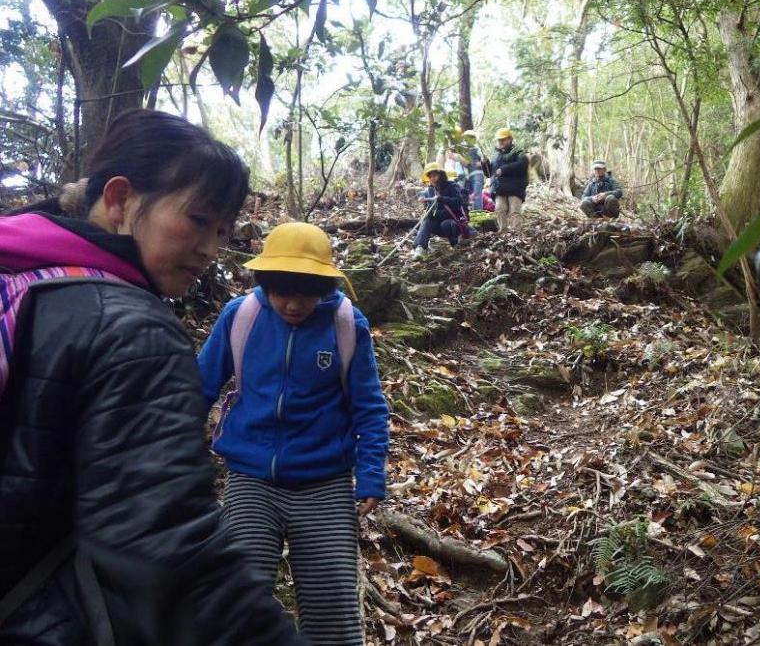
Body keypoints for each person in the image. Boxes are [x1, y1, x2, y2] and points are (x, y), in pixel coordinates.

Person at [0, 109, 306, 644]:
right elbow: (170, 550)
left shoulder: (22, 276)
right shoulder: (131, 326)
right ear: (119, 200)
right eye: (196, 220)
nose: (211, 249)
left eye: (222, 231)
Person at [198, 222, 390, 645]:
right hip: (250, 479)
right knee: (238, 601)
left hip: (324, 482)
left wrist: (372, 473)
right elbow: (199, 387)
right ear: (263, 282)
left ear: (323, 285)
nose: (292, 304)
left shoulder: (344, 324)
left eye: (304, 293)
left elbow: (369, 407)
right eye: (280, 292)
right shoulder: (242, 316)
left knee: (332, 612)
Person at [413, 162, 468, 257]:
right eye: (430, 177)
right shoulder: (430, 190)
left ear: (441, 175)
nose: (432, 179)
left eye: (435, 176)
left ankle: (456, 244)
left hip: (455, 222)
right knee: (426, 221)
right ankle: (420, 248)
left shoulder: (452, 186)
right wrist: (422, 198)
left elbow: (459, 202)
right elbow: (423, 194)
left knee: (446, 224)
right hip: (439, 221)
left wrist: (442, 199)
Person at [484, 128, 529, 232]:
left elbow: (522, 164)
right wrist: (484, 163)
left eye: (503, 139)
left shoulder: (518, 152)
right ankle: (502, 231)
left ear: (510, 139)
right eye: (499, 140)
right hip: (500, 189)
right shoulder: (496, 155)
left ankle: (516, 233)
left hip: (515, 188)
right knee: (499, 209)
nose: (501, 142)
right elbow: (489, 173)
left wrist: (504, 169)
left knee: (514, 211)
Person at [463, 130, 486, 210]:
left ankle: (479, 216)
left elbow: (484, 159)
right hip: (469, 176)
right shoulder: (464, 151)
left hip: (477, 174)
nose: (467, 140)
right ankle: (472, 217)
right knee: (469, 197)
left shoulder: (476, 148)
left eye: (470, 138)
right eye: (466, 138)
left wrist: (481, 162)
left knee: (477, 195)